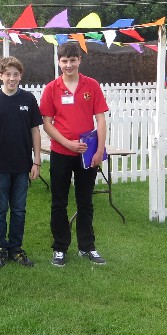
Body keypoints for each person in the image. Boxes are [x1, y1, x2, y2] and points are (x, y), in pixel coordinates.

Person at [39, 42, 109, 267]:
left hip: (87, 155)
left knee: (85, 201)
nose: (69, 64)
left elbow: (100, 119)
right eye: (64, 61)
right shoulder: (51, 88)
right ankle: (60, 248)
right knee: (59, 202)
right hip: (61, 152)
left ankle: (87, 247)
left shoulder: (92, 86)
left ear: (80, 60)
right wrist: (68, 143)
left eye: (73, 60)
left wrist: (99, 150)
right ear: (59, 62)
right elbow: (47, 124)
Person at [0, 57, 42, 268]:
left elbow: (35, 130)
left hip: (22, 165)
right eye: (8, 74)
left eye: (16, 74)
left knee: (19, 209)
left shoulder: (28, 99)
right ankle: (0, 249)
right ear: (0, 76)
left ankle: (16, 248)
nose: (12, 78)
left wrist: (37, 161)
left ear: (20, 76)